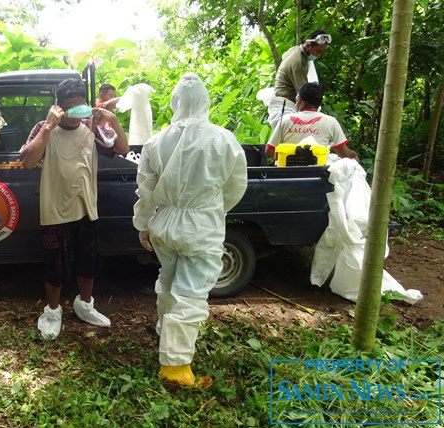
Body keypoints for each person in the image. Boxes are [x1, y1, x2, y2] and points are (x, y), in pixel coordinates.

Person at [132, 73, 248, 387]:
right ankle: (175, 367)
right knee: (190, 295)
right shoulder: (224, 140)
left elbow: (145, 189)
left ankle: (164, 334)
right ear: (205, 101)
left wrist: (143, 225)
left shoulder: (157, 141)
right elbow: (236, 186)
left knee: (168, 282)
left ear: (175, 103)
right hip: (202, 226)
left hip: (165, 224)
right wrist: (214, 209)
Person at [20, 78, 129, 340]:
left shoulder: (91, 128)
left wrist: (111, 119)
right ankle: (53, 311)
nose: (74, 114)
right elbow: (27, 161)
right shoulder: (44, 128)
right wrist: (48, 125)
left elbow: (122, 149)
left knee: (88, 260)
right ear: (58, 107)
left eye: (79, 107)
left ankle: (85, 305)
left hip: (86, 207)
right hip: (54, 209)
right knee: (54, 264)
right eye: (68, 108)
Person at [266, 82, 359, 161]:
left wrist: (289, 159)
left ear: (302, 103)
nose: (295, 105)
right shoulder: (331, 122)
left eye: (296, 101)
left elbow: (269, 150)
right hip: (318, 174)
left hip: (289, 173)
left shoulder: (286, 120)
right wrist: (354, 156)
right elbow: (344, 154)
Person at [267, 29, 332, 128]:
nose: (319, 55)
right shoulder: (298, 63)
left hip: (288, 103)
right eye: (318, 51)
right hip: (285, 106)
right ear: (309, 45)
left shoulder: (296, 49)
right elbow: (304, 95)